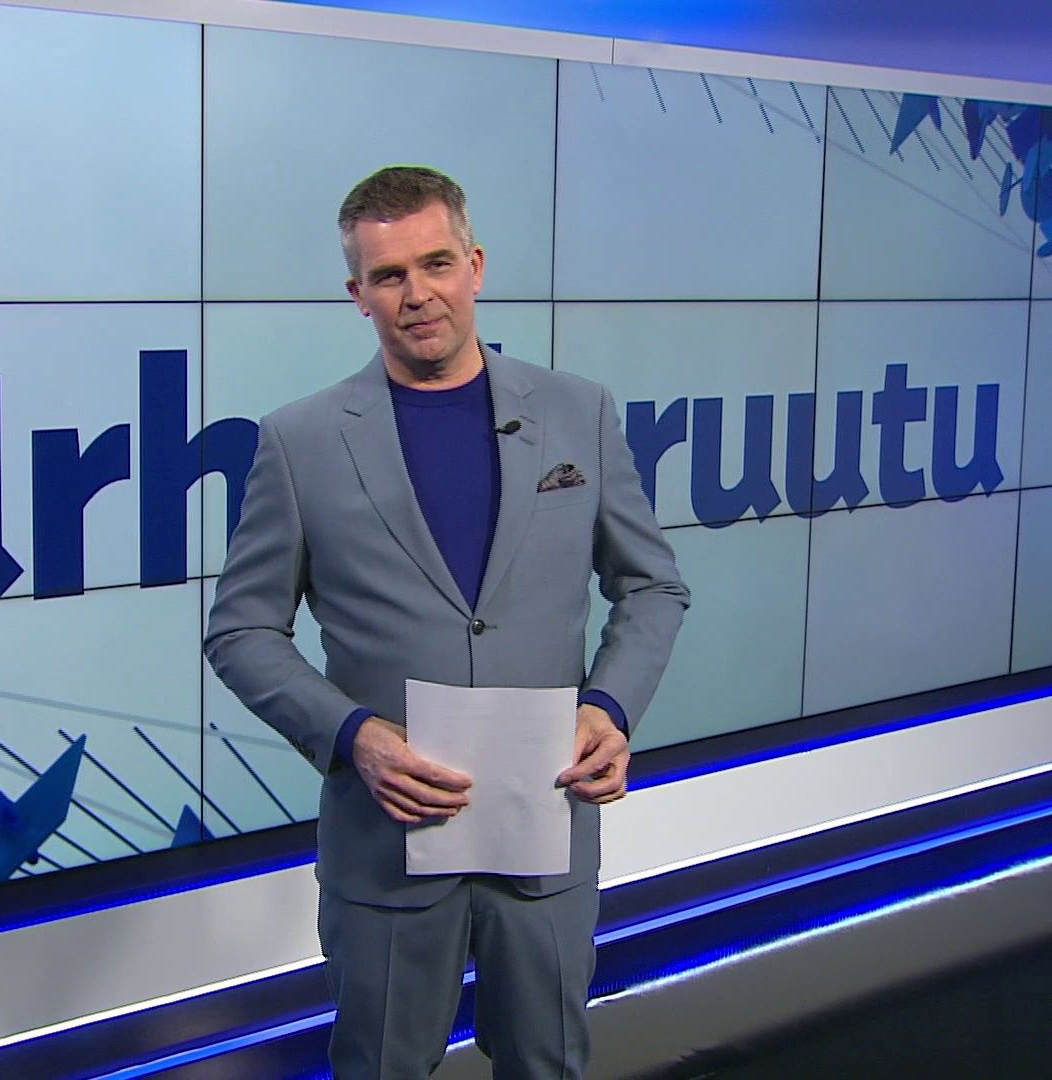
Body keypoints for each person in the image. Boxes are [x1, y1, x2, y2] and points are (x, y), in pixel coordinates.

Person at [203, 165, 689, 1079]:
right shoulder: (300, 442)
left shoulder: (578, 413)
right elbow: (240, 632)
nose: (417, 294)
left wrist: (611, 707)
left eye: (435, 264)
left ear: (475, 265)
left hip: (544, 832)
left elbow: (653, 586)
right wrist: (353, 736)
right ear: (357, 294)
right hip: (385, 848)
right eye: (388, 276)